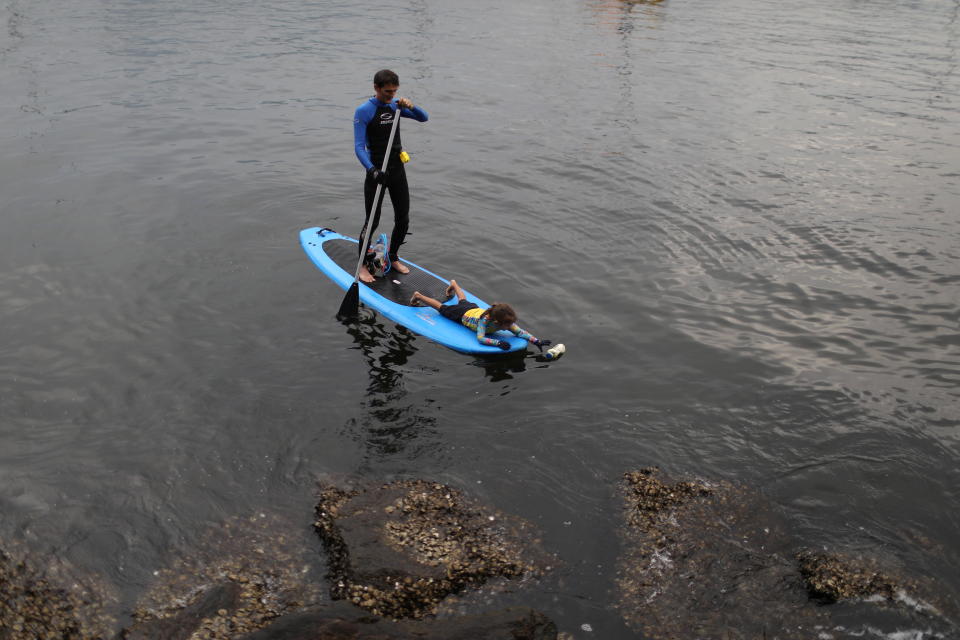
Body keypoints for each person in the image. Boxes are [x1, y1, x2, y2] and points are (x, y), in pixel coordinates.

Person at [354, 69, 429, 283]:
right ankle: (361, 267)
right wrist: (372, 170)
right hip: (377, 171)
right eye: (387, 92)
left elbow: (424, 118)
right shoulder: (364, 111)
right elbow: (359, 147)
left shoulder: (396, 107)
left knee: (403, 218)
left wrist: (410, 106)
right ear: (376, 88)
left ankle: (393, 256)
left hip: (397, 169)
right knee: (373, 221)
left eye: (395, 91)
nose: (391, 96)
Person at [410, 280, 553, 352]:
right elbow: (480, 338)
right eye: (508, 325)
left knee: (463, 300)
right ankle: (419, 296)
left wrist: (536, 341)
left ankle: (454, 284)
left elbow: (519, 331)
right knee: (441, 307)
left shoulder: (504, 321)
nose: (510, 327)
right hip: (462, 315)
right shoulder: (484, 321)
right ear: (497, 321)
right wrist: (498, 343)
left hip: (473, 309)